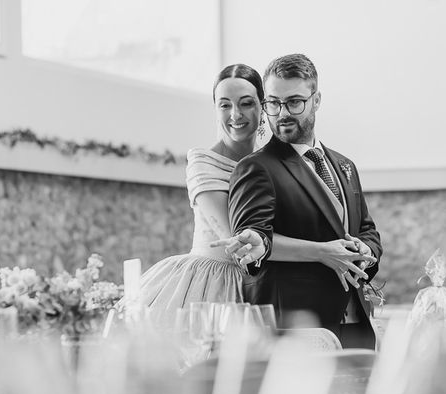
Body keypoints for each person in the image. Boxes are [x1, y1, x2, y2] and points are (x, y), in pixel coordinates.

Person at [140, 63, 374, 326]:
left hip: (274, 284)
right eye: (224, 104)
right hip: (216, 283)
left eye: (246, 103)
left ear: (264, 106)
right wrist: (323, 251)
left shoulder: (280, 160)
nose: (235, 114)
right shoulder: (204, 162)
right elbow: (237, 240)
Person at [223, 54, 383, 349]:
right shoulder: (255, 167)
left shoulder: (345, 165)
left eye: (294, 102)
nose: (282, 112)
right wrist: (258, 243)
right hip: (296, 333)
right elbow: (255, 233)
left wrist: (364, 249)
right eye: (273, 103)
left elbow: (368, 230)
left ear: (316, 99)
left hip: (355, 326)